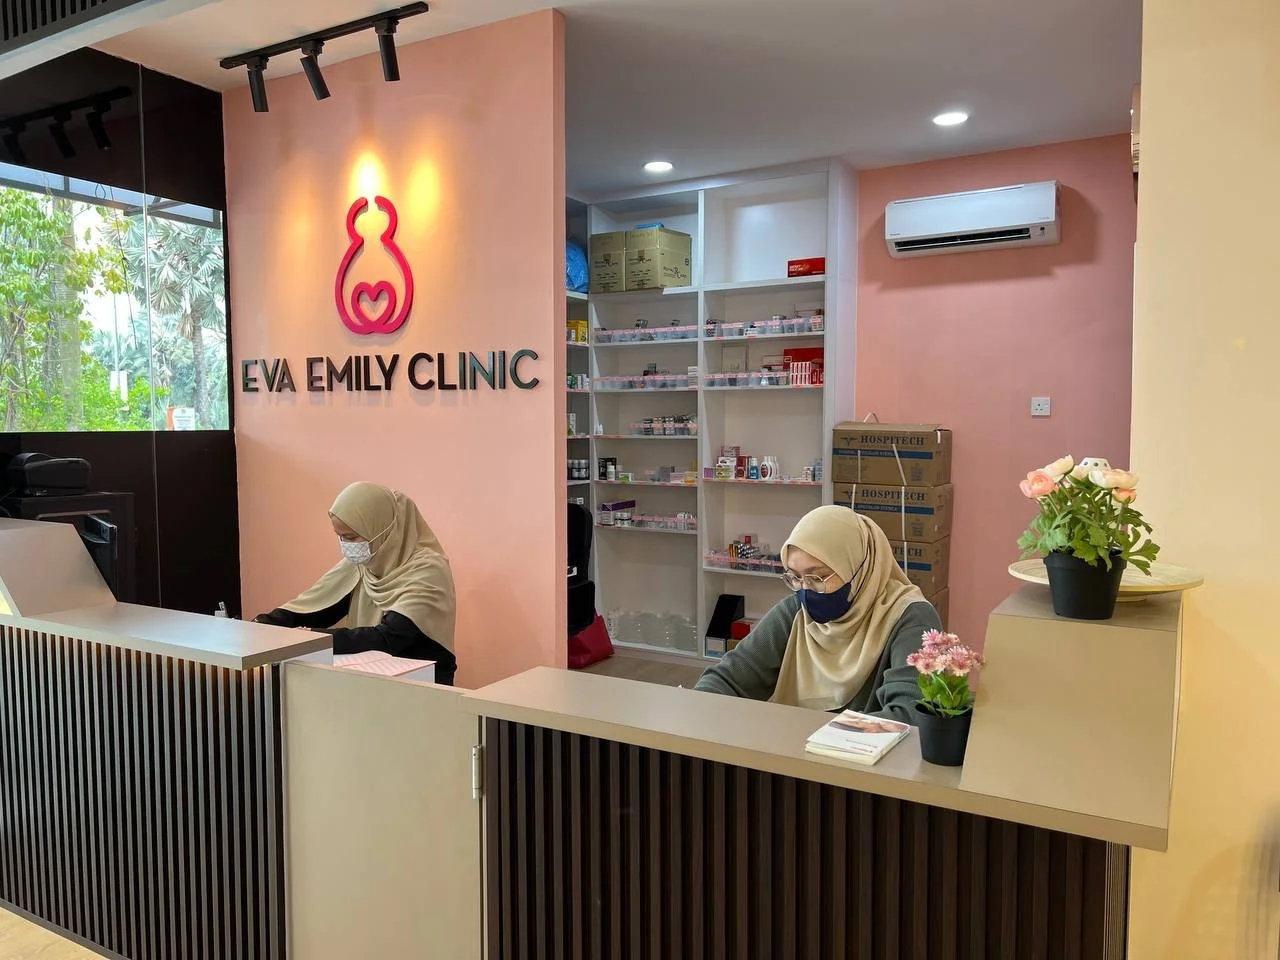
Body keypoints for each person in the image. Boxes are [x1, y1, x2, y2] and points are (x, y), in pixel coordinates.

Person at [695, 505, 941, 722]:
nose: (806, 589)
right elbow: (729, 677)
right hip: (792, 757)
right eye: (796, 577)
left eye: (819, 577)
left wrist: (810, 735)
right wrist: (696, 709)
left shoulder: (910, 618)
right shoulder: (796, 613)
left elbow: (909, 716)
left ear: (859, 567)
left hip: (869, 768)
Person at [254, 481, 458, 685]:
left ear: (382, 529)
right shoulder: (367, 560)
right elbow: (319, 607)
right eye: (340, 537)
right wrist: (263, 625)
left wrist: (308, 639)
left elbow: (390, 637)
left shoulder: (428, 568)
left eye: (351, 537)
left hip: (422, 683)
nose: (345, 546)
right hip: (372, 678)